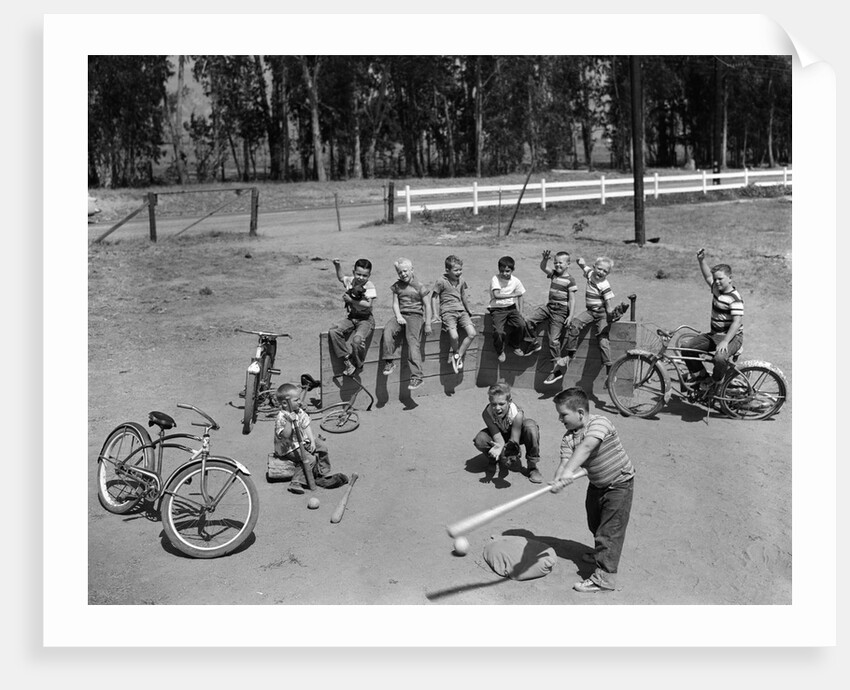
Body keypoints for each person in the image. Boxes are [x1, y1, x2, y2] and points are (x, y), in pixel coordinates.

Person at [550, 386, 635, 593]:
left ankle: (604, 579)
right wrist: (558, 479)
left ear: (580, 413)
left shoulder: (599, 423)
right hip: (597, 485)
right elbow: (565, 461)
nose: (560, 420)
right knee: (595, 524)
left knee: (609, 532)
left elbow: (587, 447)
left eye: (563, 415)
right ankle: (601, 553)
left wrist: (569, 470)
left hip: (619, 484)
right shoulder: (568, 438)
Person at [684, 248, 744, 390]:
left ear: (730, 278)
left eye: (720, 279)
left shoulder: (735, 299)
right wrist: (701, 260)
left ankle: (716, 382)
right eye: (716, 279)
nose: (716, 282)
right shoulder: (717, 290)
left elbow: (737, 323)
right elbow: (707, 277)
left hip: (732, 337)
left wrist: (725, 341)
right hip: (714, 335)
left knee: (719, 358)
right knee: (686, 347)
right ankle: (701, 376)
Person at [272, 383, 348, 494]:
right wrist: (289, 421)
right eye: (296, 400)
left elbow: (306, 425)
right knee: (310, 459)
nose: (299, 402)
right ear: (284, 403)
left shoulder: (299, 411)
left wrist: (312, 441)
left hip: (302, 440)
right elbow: (285, 436)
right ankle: (296, 482)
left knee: (322, 446)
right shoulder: (281, 417)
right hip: (288, 447)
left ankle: (322, 472)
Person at [521, 249, 578, 385]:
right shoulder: (553, 274)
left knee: (554, 340)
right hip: (549, 307)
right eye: (556, 262)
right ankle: (533, 342)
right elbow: (543, 267)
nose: (558, 265)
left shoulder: (570, 280)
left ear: (568, 264)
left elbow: (572, 299)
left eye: (561, 263)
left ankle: (556, 371)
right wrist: (545, 259)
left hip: (560, 311)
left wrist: (570, 316)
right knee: (529, 320)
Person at [558, 256, 617, 384]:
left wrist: (610, 314)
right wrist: (580, 261)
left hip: (601, 313)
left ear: (608, 273)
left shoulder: (605, 285)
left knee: (603, 339)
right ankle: (570, 355)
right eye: (599, 269)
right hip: (590, 311)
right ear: (594, 267)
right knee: (574, 324)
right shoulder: (590, 274)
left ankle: (609, 370)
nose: (601, 272)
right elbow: (584, 266)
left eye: (605, 271)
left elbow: (608, 302)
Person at [472, 382, 542, 484]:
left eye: (501, 404)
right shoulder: (487, 413)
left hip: (516, 435)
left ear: (509, 401)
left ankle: (532, 466)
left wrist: (512, 449)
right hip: (500, 434)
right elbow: (496, 435)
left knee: (531, 427)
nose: (497, 408)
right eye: (493, 404)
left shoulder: (517, 413)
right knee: (480, 439)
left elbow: (514, 439)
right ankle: (494, 459)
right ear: (489, 401)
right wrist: (500, 446)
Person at [381, 257, 432, 390]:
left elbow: (427, 305)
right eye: (400, 272)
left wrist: (427, 323)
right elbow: (395, 303)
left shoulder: (420, 286)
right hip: (401, 315)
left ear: (411, 270)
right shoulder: (397, 286)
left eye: (405, 271)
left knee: (412, 342)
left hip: (415, 316)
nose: (403, 274)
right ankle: (389, 361)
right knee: (387, 330)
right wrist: (398, 316)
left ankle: (417, 376)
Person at [328, 257, 377, 377]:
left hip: (365, 320)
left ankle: (358, 364)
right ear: (353, 272)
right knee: (334, 331)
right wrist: (337, 265)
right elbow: (341, 278)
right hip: (352, 317)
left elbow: (367, 304)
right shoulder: (351, 281)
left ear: (369, 275)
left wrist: (351, 300)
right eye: (358, 274)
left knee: (357, 340)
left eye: (364, 275)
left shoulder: (369, 286)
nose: (361, 277)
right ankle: (347, 359)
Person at [431, 254, 477, 374]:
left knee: (472, 333)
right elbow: (434, 297)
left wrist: (468, 309)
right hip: (447, 312)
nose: (459, 272)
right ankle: (456, 352)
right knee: (454, 336)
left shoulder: (461, 281)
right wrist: (435, 315)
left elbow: (463, 296)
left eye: (460, 269)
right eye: (456, 270)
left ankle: (457, 356)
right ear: (447, 270)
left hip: (461, 311)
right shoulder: (441, 281)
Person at [488, 255, 529, 363]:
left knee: (522, 325)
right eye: (502, 271)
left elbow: (520, 296)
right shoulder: (495, 279)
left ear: (512, 270)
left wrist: (520, 312)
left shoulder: (516, 281)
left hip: (511, 308)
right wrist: (513, 295)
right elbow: (496, 294)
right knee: (499, 332)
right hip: (497, 309)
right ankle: (500, 350)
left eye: (507, 271)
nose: (504, 273)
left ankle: (514, 344)